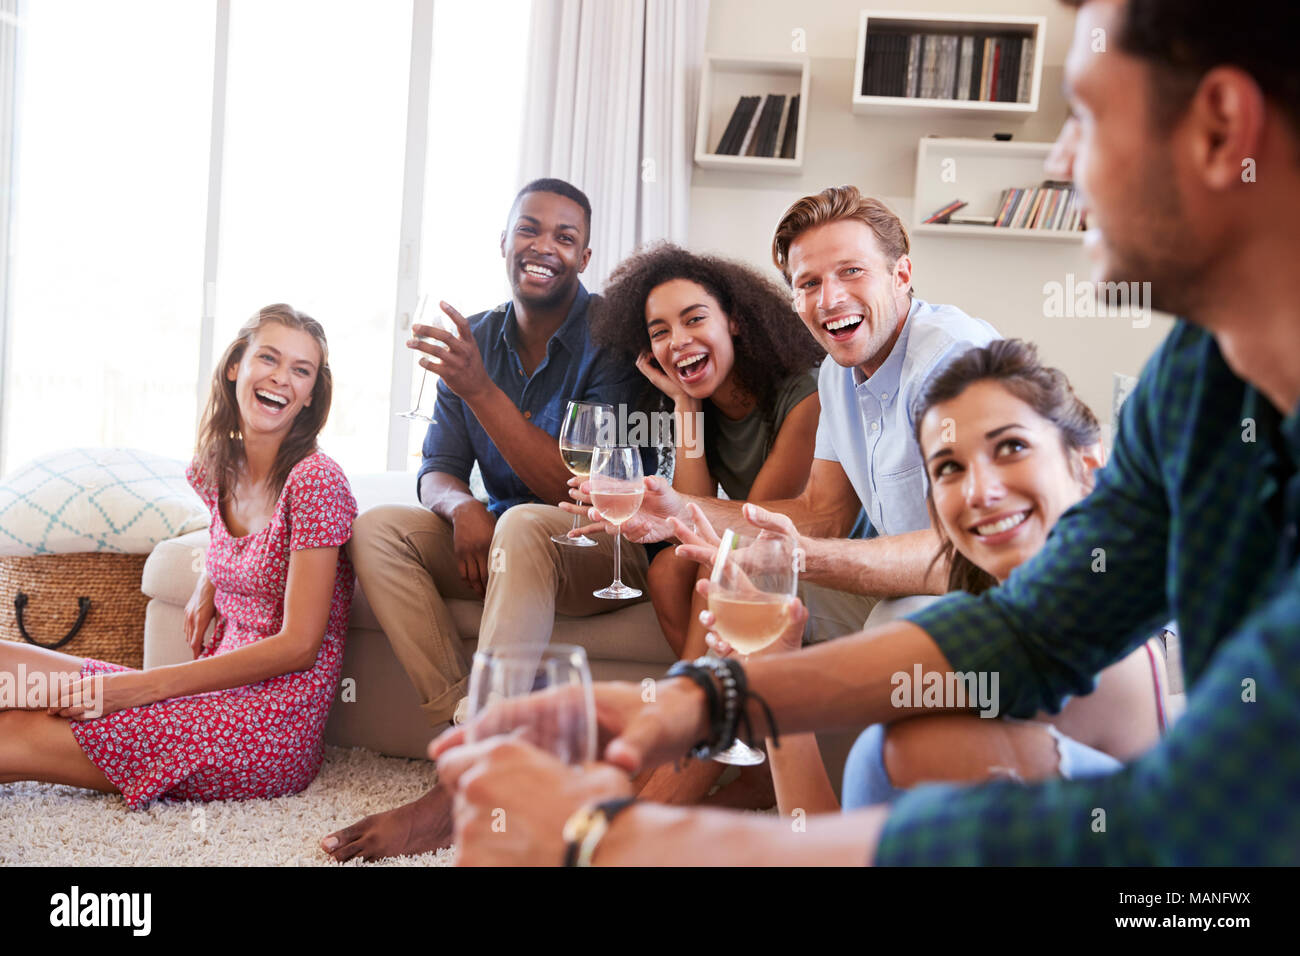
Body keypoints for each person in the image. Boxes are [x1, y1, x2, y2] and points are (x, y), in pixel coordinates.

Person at [435, 0, 1300, 865]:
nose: (1064, 160)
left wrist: (617, 842)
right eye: (809, 281)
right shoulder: (1197, 378)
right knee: (916, 743)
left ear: (1223, 128)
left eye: (1084, 115)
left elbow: (1199, 838)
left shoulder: (953, 361)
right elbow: (1034, 630)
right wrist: (710, 701)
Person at [699, 340, 1170, 816]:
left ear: (1087, 465)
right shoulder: (971, 635)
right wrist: (779, 684)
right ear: (934, 511)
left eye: (1011, 446)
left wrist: (723, 696)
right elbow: (834, 849)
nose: (980, 490)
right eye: (949, 467)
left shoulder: (1095, 634)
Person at [321, 178, 645, 862]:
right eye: (529, 229)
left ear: (585, 257)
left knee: (526, 521)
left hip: (599, 546)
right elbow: (437, 464)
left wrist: (480, 389)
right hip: (505, 539)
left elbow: (578, 488)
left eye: (564, 237)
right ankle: (472, 732)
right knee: (378, 527)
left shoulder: (611, 341)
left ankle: (458, 793)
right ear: (503, 242)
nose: (543, 247)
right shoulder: (480, 336)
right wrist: (459, 504)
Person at [569, 188, 999, 639]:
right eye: (809, 283)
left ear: (901, 275)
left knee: (881, 623)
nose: (829, 300)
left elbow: (972, 549)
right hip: (900, 582)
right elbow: (823, 512)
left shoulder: (951, 358)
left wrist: (797, 556)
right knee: (740, 581)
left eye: (851, 271)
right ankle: (714, 701)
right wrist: (679, 508)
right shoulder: (836, 374)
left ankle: (695, 702)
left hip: (979, 592)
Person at [0, 304, 357, 808]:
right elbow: (238, 545)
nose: (281, 378)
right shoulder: (218, 465)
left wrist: (142, 688)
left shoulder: (316, 480)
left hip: (271, 725)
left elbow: (299, 645)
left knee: (16, 728)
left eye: (301, 371)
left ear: (311, 396)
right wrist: (209, 579)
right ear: (236, 365)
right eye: (269, 359)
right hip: (207, 690)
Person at [590, 242, 823, 806]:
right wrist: (685, 404)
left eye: (694, 319)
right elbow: (692, 516)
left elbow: (752, 526)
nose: (677, 341)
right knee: (672, 569)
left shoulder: (804, 396)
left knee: (720, 570)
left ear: (735, 321)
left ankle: (672, 760)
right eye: (659, 331)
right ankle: (722, 735)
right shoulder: (705, 403)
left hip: (807, 552)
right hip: (743, 546)